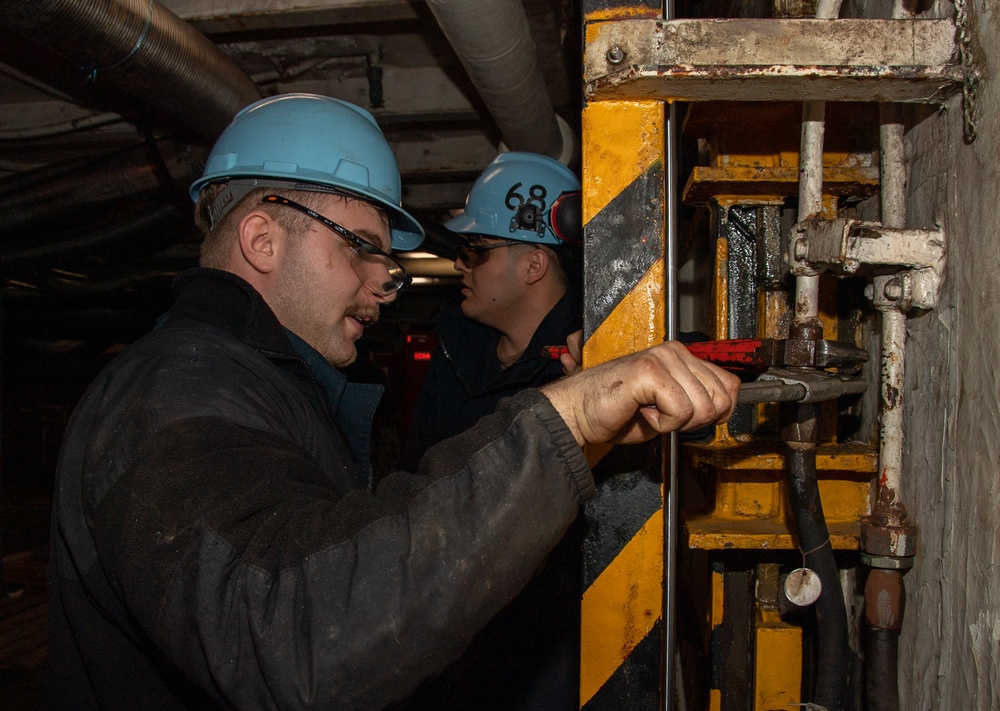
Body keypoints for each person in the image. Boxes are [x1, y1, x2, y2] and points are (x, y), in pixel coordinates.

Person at [45, 93, 739, 711]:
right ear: (262, 239)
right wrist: (565, 422)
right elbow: (293, 635)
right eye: (361, 249)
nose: (386, 284)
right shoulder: (173, 394)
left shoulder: (266, 388)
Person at [400, 152, 584, 710]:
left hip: (546, 642)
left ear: (532, 265)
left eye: (476, 252)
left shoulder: (589, 363)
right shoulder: (454, 348)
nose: (461, 264)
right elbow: (415, 479)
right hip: (445, 626)